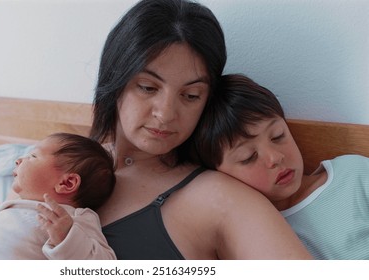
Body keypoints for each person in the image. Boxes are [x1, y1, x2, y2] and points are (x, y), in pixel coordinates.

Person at [90, 0, 312, 259]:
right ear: (115, 79)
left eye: (191, 95)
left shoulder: (221, 199)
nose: (166, 114)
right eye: (148, 88)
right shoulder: (60, 158)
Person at [205, 73, 369, 259]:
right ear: (218, 177)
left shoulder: (353, 175)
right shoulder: (249, 235)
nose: (275, 157)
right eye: (248, 157)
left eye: (278, 136)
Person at [0, 132, 116, 260]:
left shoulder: (76, 219)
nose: (19, 160)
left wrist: (67, 238)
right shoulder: (9, 207)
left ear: (66, 183)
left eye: (33, 156)